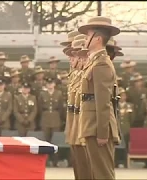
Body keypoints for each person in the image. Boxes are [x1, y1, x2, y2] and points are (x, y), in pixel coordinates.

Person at [77, 16, 120, 179]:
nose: (85, 39)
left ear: (98, 38)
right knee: (95, 173)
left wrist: (102, 132)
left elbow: (103, 101)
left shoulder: (101, 63)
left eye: (88, 36)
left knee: (103, 174)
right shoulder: (95, 62)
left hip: (97, 126)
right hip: (91, 124)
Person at [64, 34, 93, 179]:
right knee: (78, 163)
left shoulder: (87, 75)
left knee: (86, 165)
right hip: (75, 123)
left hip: (83, 124)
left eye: (76, 55)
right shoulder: (75, 75)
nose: (71, 58)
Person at [38, 77, 64, 143]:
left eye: (51, 83)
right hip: (45, 118)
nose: (50, 85)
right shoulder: (42, 94)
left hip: (55, 118)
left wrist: (58, 115)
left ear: (54, 84)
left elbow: (61, 107)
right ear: (46, 85)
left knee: (55, 139)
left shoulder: (59, 93)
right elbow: (40, 107)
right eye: (48, 84)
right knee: (45, 139)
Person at [115, 87, 134, 168]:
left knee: (126, 147)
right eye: (121, 95)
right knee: (116, 147)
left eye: (124, 95)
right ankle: (116, 162)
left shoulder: (130, 106)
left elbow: (132, 118)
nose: (123, 97)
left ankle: (125, 162)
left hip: (126, 129)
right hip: (117, 128)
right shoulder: (115, 106)